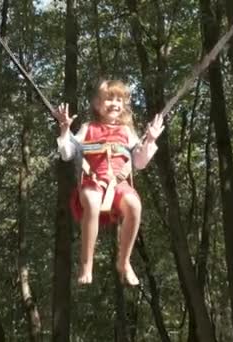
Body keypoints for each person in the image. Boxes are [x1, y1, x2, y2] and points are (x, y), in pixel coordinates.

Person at [53, 80, 165, 286]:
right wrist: (64, 130)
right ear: (97, 104)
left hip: (118, 184)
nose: (114, 103)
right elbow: (68, 154)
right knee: (93, 202)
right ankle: (86, 265)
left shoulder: (127, 132)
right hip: (92, 181)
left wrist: (150, 140)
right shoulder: (88, 128)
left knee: (134, 205)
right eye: (108, 99)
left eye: (119, 100)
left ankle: (124, 262)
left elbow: (139, 163)